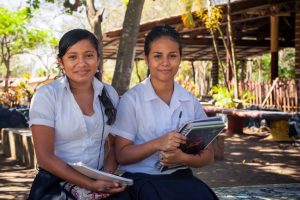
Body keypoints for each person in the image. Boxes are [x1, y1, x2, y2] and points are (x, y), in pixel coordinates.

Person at [110, 24, 219, 200]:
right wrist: (157, 144)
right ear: (146, 58)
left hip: (181, 179)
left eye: (172, 56)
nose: (165, 63)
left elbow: (208, 155)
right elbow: (121, 155)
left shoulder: (189, 101)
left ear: (180, 58)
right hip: (141, 181)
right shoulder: (131, 100)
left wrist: (183, 158)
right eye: (157, 56)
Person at [28, 29, 126, 199]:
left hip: (98, 182)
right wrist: (90, 185)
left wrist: (106, 178)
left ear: (98, 59)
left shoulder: (109, 93)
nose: (81, 63)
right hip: (55, 184)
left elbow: (116, 144)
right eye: (72, 57)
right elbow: (44, 157)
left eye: (88, 55)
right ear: (61, 61)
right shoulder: (47, 95)